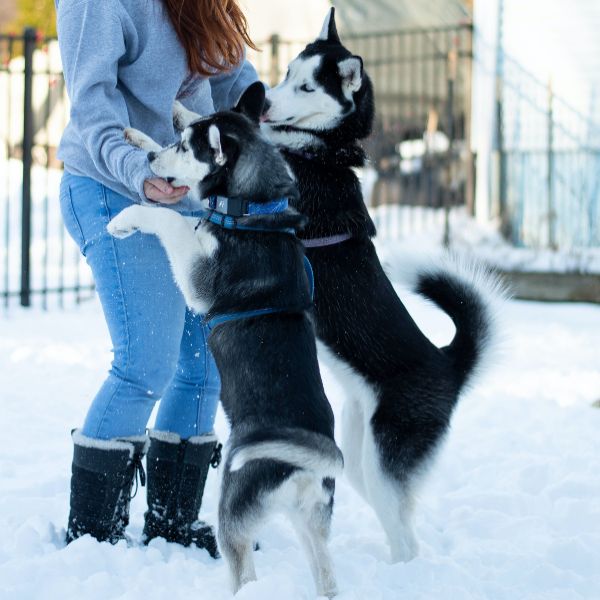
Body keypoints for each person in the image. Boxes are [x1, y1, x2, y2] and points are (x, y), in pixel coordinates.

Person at [55, 0, 259, 553]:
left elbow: (233, 80)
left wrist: (267, 129)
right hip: (110, 186)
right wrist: (140, 173)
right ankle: (94, 534)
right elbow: (93, 111)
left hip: (184, 190)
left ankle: (174, 519)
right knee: (146, 362)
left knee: (206, 363)